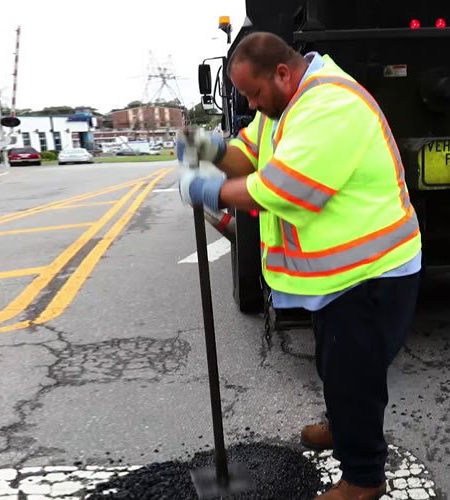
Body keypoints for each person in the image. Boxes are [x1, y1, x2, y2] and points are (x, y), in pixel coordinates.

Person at [177, 31, 421, 500]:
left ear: (282, 73)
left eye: (253, 92)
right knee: (337, 363)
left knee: (355, 374)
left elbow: (289, 190)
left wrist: (212, 191)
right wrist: (208, 148)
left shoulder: (331, 105)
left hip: (373, 271)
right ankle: (342, 425)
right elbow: (248, 154)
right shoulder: (283, 107)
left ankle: (364, 479)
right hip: (339, 274)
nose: (250, 102)